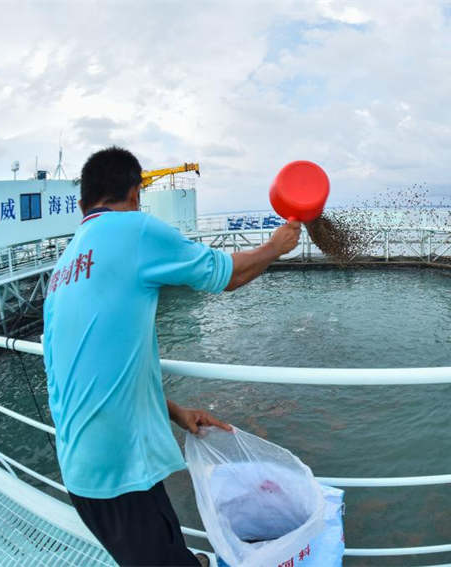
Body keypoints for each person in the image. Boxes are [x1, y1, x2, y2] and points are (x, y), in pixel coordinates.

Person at [43, 146, 301, 566]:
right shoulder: (133, 230)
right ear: (135, 194)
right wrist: (275, 246)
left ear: (80, 204)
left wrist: (175, 411)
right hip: (118, 470)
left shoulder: (63, 269)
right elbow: (228, 274)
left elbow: (90, 370)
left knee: (162, 548)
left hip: (82, 468)